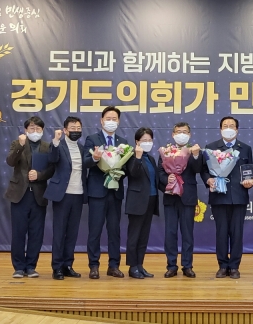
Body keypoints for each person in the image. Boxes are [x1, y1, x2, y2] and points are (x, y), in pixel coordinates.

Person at [201, 116, 253, 279]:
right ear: (220, 129)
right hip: (218, 196)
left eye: (232, 126)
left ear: (237, 130)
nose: (228, 128)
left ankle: (235, 266)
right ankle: (223, 265)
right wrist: (208, 180)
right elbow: (204, 170)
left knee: (237, 234)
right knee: (221, 233)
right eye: (225, 125)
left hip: (239, 197)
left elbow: (250, 171)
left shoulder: (245, 148)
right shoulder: (211, 147)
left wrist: (250, 182)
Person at [5, 116, 54, 278]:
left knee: (36, 233)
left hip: (39, 195)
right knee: (18, 232)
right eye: (32, 128)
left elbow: (52, 169)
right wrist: (20, 145)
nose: (35, 131)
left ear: (42, 130)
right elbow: (10, 161)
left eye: (38, 129)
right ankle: (19, 267)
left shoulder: (47, 147)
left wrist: (40, 175)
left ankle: (31, 266)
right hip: (20, 195)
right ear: (26, 130)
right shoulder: (17, 143)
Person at [83, 106, 128, 279]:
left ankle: (114, 265)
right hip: (97, 191)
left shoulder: (123, 142)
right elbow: (85, 162)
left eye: (114, 119)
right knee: (95, 230)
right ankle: (94, 265)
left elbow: (126, 166)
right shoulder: (92, 139)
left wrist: (117, 171)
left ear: (119, 121)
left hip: (115, 192)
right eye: (108, 119)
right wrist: (95, 158)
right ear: (101, 121)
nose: (111, 122)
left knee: (114, 230)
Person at [158, 122, 202, 278]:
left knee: (187, 233)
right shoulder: (166, 151)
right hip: (170, 197)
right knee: (170, 233)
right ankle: (171, 265)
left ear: (189, 134)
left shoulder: (194, 150)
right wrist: (167, 179)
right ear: (173, 134)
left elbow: (198, 169)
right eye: (178, 132)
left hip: (187, 197)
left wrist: (195, 155)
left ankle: (187, 265)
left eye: (184, 132)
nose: (181, 134)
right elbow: (159, 172)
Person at [45, 117, 86, 280]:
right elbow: (52, 159)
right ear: (65, 130)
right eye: (72, 128)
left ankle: (68, 265)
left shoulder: (82, 148)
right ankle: (57, 267)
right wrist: (55, 141)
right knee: (59, 231)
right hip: (62, 194)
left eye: (78, 128)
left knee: (72, 232)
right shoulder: (58, 145)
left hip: (78, 193)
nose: (76, 131)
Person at [125, 127, 160, 279]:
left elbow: (156, 180)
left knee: (144, 236)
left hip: (151, 199)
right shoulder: (131, 156)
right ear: (137, 142)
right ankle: (132, 267)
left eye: (150, 140)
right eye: (144, 140)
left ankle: (140, 265)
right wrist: (138, 157)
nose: (147, 143)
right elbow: (133, 173)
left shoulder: (151, 159)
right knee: (134, 236)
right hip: (137, 201)